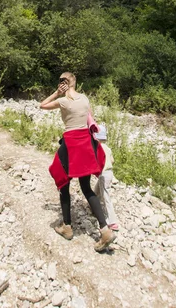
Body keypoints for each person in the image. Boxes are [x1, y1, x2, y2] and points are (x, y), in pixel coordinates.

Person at [40, 72, 115, 252]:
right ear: (75, 82)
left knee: (63, 182)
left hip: (71, 143)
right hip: (85, 143)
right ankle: (105, 230)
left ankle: (67, 226)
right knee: (86, 188)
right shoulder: (85, 99)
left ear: (62, 83)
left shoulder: (63, 101)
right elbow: (90, 118)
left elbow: (42, 105)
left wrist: (57, 93)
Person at [94, 125, 119, 232]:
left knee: (106, 196)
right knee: (97, 190)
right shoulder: (108, 148)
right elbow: (112, 161)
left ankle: (112, 221)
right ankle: (94, 206)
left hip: (103, 174)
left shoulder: (98, 147)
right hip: (109, 173)